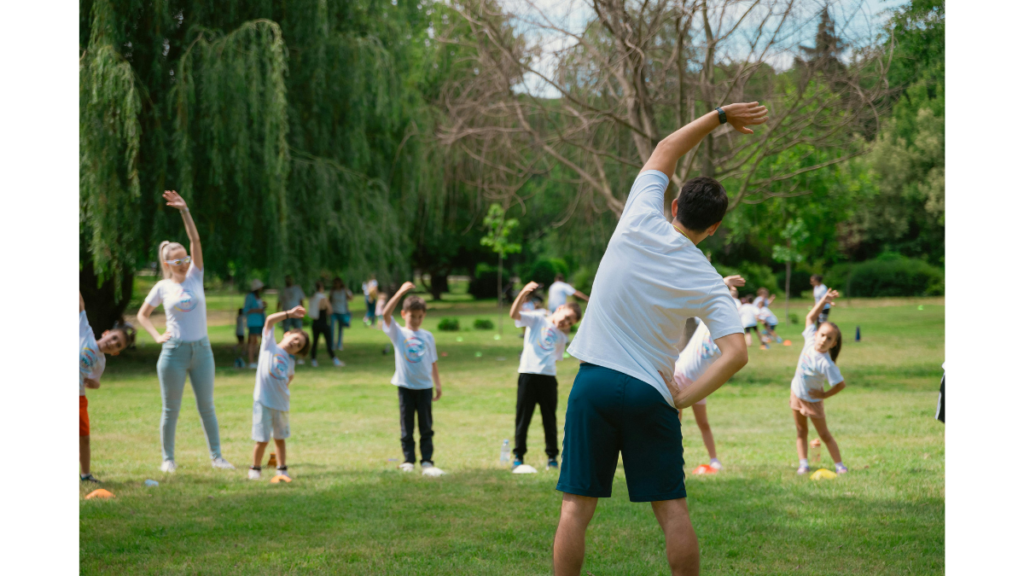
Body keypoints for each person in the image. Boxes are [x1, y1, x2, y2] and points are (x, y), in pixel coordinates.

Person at [554, 102, 765, 576]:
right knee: (672, 510)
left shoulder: (637, 218)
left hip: (594, 384)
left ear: (673, 206)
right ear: (713, 228)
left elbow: (667, 148)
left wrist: (721, 116)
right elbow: (736, 353)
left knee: (575, 509)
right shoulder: (709, 278)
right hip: (653, 394)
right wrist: (685, 397)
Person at [136, 190, 235, 473]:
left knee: (207, 407)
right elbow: (143, 316)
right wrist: (157, 336)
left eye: (186, 258)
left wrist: (184, 210)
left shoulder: (196, 275)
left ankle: (217, 457)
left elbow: (196, 239)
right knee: (171, 410)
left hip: (202, 351)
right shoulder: (162, 287)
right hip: (174, 353)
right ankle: (168, 459)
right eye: (177, 261)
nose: (184, 263)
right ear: (167, 264)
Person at [671, 276, 746, 473]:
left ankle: (714, 460)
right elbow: (707, 293)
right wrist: (724, 280)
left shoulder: (730, 338)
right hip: (680, 376)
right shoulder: (706, 320)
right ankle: (675, 461)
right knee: (674, 424)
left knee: (703, 423)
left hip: (701, 384)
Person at [509, 281, 583, 471]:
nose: (565, 323)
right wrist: (524, 292)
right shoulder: (537, 319)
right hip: (527, 374)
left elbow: (556, 357)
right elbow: (514, 315)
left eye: (570, 322)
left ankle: (552, 457)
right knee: (523, 417)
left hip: (548, 378)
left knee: (549, 419)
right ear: (559, 308)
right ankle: (518, 455)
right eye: (566, 317)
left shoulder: (561, 337)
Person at [381, 282, 444, 477]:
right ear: (404, 314)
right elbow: (385, 314)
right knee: (406, 425)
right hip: (405, 386)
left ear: (424, 315)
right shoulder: (398, 333)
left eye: (419, 316)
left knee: (426, 426)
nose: (416, 320)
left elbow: (433, 361)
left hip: (425, 387)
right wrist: (399, 292)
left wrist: (438, 384)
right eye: (412, 316)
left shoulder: (427, 336)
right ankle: (408, 460)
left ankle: (427, 460)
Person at [247, 305, 311, 480]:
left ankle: (281, 469)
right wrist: (289, 313)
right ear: (287, 334)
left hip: (281, 405)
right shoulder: (269, 345)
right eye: (296, 338)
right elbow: (268, 320)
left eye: (299, 345)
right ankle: (255, 468)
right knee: (262, 439)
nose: (295, 343)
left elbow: (288, 380)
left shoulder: (290, 363)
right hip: (263, 402)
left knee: (280, 438)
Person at [790, 288, 848, 476]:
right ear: (816, 334)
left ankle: (840, 466)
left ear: (833, 344)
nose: (823, 340)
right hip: (797, 393)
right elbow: (810, 317)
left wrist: (823, 395)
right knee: (801, 430)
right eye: (822, 335)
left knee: (824, 435)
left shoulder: (826, 363)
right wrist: (824, 300)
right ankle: (803, 464)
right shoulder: (809, 340)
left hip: (813, 400)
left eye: (829, 338)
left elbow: (840, 384)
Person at [79, 293, 133, 483]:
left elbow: (94, 381)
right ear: (106, 333)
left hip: (78, 397)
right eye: (113, 338)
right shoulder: (85, 333)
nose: (112, 343)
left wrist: (95, 384)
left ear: (115, 352)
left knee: (84, 436)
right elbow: (80, 304)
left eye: (117, 345)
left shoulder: (100, 363)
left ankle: (85, 475)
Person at [308, 280, 343, 367]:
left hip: (315, 323)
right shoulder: (323, 298)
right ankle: (334, 359)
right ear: (321, 288)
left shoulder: (312, 298)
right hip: (323, 322)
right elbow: (330, 310)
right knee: (328, 342)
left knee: (315, 342)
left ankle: (313, 360)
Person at [243, 280, 268, 368]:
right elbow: (245, 309)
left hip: (261, 321)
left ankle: (259, 360)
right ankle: (251, 361)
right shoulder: (249, 297)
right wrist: (257, 310)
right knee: (253, 341)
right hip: (253, 322)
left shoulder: (258, 297)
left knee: (261, 341)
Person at [330, 277, 354, 351]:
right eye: (335, 283)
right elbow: (329, 300)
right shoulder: (332, 291)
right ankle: (332, 345)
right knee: (332, 329)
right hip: (333, 312)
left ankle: (339, 344)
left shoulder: (344, 291)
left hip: (342, 311)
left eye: (338, 283)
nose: (337, 284)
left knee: (340, 328)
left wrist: (347, 290)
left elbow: (351, 298)